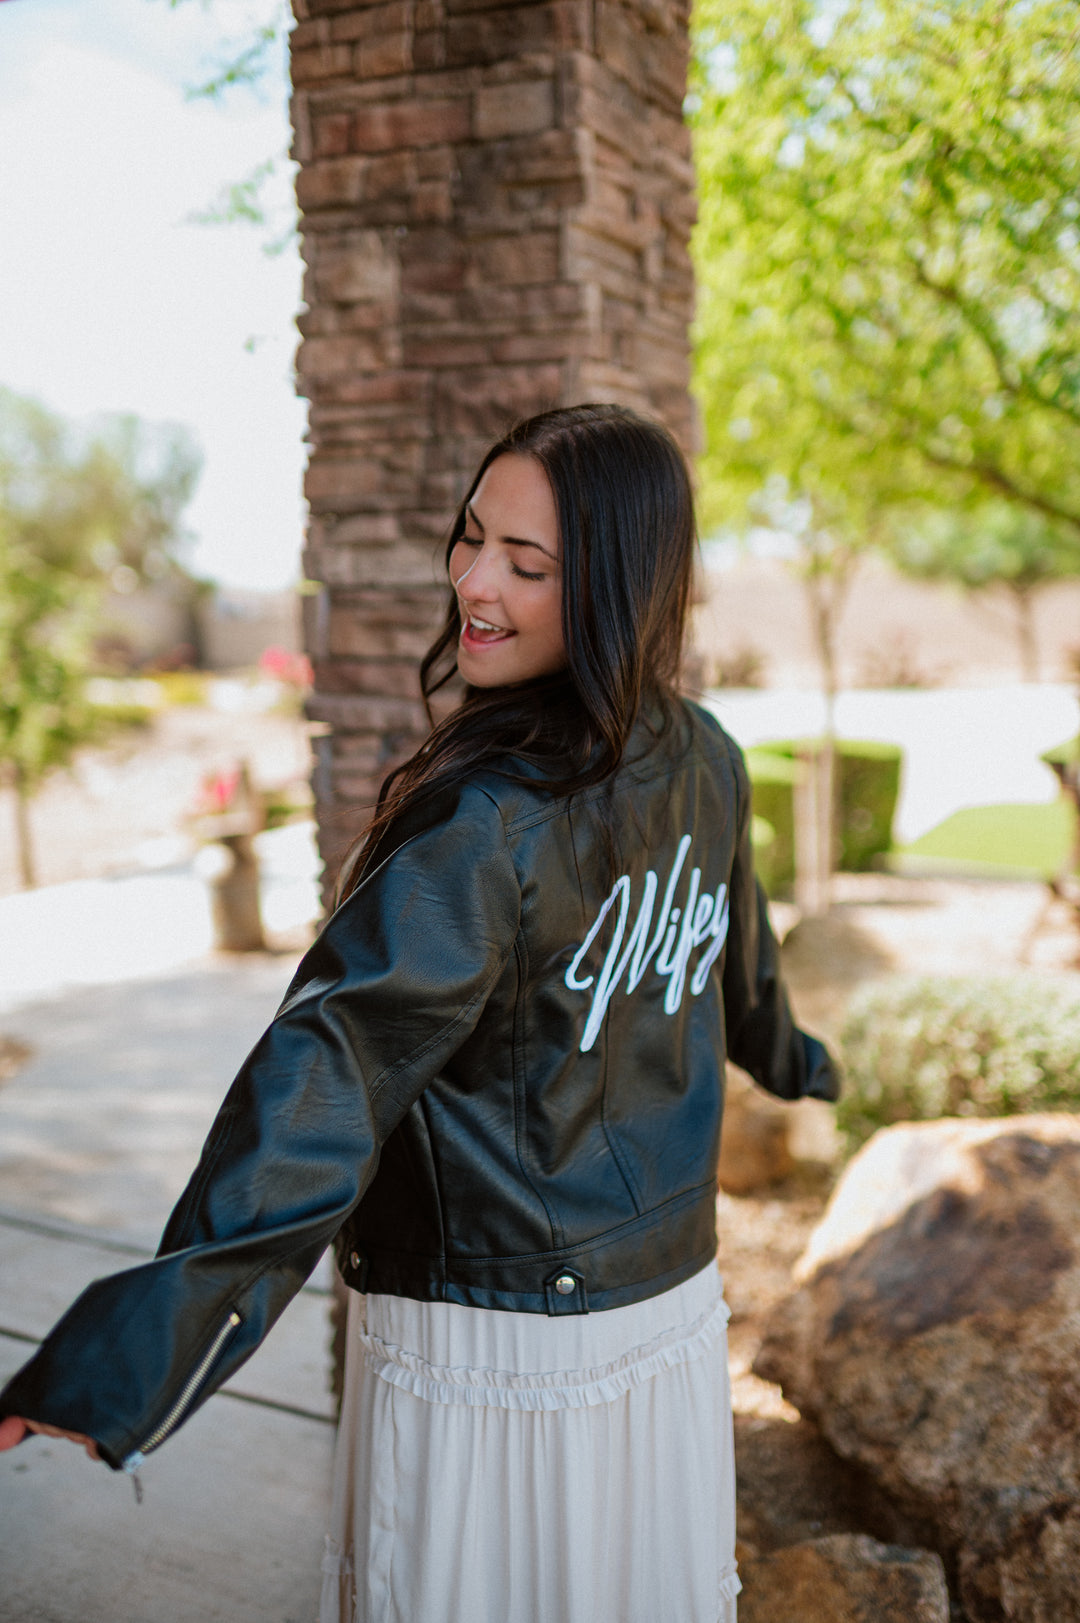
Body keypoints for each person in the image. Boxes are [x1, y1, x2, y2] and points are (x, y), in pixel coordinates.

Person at [0, 403, 837, 1622]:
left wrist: (135, 1346)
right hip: (661, 1322)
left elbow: (326, 1080)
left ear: (615, 583)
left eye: (526, 562)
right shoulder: (704, 754)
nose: (471, 580)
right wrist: (796, 1056)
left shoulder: (484, 823)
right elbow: (743, 973)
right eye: (471, 535)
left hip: (498, 1357)